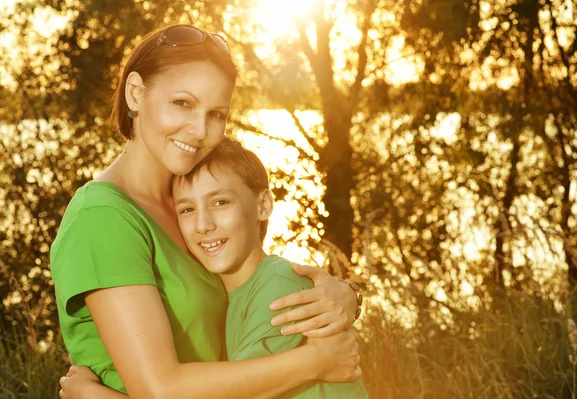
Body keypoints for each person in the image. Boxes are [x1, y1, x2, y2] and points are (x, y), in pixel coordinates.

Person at [51, 24, 363, 399]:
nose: (199, 129)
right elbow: (159, 389)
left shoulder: (185, 204)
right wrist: (313, 363)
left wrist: (346, 295)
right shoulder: (102, 216)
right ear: (136, 93)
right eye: (182, 102)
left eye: (216, 113)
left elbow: (251, 286)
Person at [58, 137, 369, 399]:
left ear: (263, 205)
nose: (204, 224)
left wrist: (94, 395)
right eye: (187, 209)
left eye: (221, 202)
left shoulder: (280, 291)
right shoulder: (225, 292)